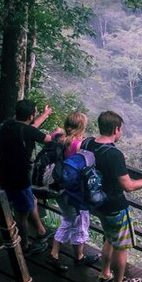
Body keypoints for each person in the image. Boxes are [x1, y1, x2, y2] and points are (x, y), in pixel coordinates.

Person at [82, 110, 142, 282]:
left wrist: (118, 159)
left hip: (95, 203)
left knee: (109, 237)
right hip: (114, 206)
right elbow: (128, 186)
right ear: (116, 129)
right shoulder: (113, 154)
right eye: (121, 130)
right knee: (121, 246)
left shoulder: (88, 143)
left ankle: (104, 274)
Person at [0, 99, 54, 254]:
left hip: (4, 175)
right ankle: (24, 245)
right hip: (18, 178)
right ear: (30, 115)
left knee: (31, 201)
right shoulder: (27, 131)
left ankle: (41, 231)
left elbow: (31, 128)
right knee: (21, 214)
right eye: (35, 113)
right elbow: (48, 139)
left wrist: (44, 115)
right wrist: (59, 134)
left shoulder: (6, 127)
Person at [46, 112, 100, 272]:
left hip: (59, 186)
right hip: (73, 190)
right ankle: (54, 254)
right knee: (76, 221)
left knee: (72, 219)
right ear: (81, 127)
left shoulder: (58, 136)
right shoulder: (78, 145)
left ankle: (79, 256)